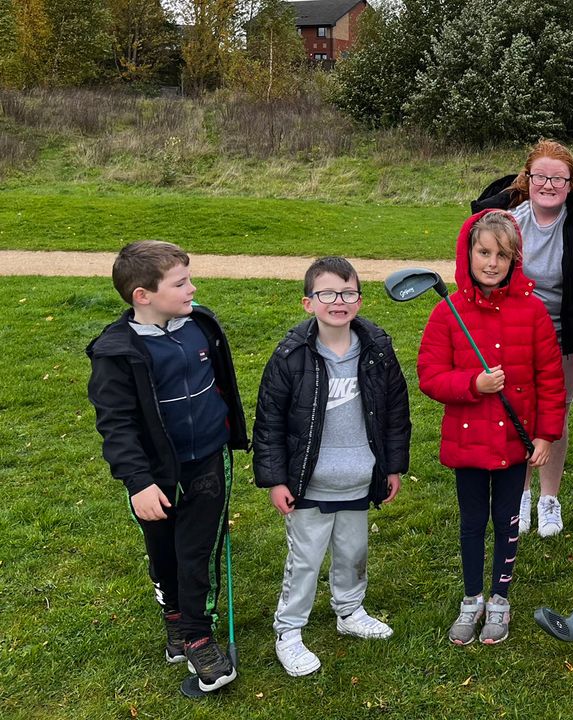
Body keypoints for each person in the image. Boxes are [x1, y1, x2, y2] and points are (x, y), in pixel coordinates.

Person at [86, 240, 248, 693]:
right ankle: (174, 617)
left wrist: (228, 430)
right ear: (143, 295)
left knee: (197, 553)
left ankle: (197, 634)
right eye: (181, 283)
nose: (193, 288)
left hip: (210, 460)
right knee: (165, 552)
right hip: (156, 474)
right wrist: (138, 482)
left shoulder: (200, 325)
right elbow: (116, 425)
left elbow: (219, 382)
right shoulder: (116, 353)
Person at [253, 256, 411, 677]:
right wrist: (274, 479)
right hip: (310, 484)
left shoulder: (377, 349)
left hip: (359, 476)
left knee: (353, 552)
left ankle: (350, 611)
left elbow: (396, 410)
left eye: (347, 293)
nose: (338, 301)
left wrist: (392, 467)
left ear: (359, 300)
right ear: (309, 303)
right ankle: (289, 631)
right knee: (304, 560)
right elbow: (268, 420)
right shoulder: (290, 356)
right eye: (327, 294)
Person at [419, 210, 566, 646]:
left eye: (502, 255)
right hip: (468, 442)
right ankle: (471, 599)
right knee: (472, 522)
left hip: (513, 443)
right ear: (468, 253)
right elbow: (429, 375)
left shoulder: (533, 311)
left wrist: (544, 435)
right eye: (483, 252)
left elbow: (550, 380)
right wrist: (472, 384)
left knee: (507, 519)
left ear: (514, 259)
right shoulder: (448, 313)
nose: (491, 262)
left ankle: (499, 599)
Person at [472, 139, 573, 538]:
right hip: (515, 334)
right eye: (541, 176)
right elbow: (482, 269)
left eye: (558, 178)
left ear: (570, 183)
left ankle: (549, 497)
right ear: (528, 178)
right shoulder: (508, 222)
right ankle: (520, 493)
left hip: (564, 337)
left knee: (555, 414)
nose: (548, 184)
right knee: (517, 412)